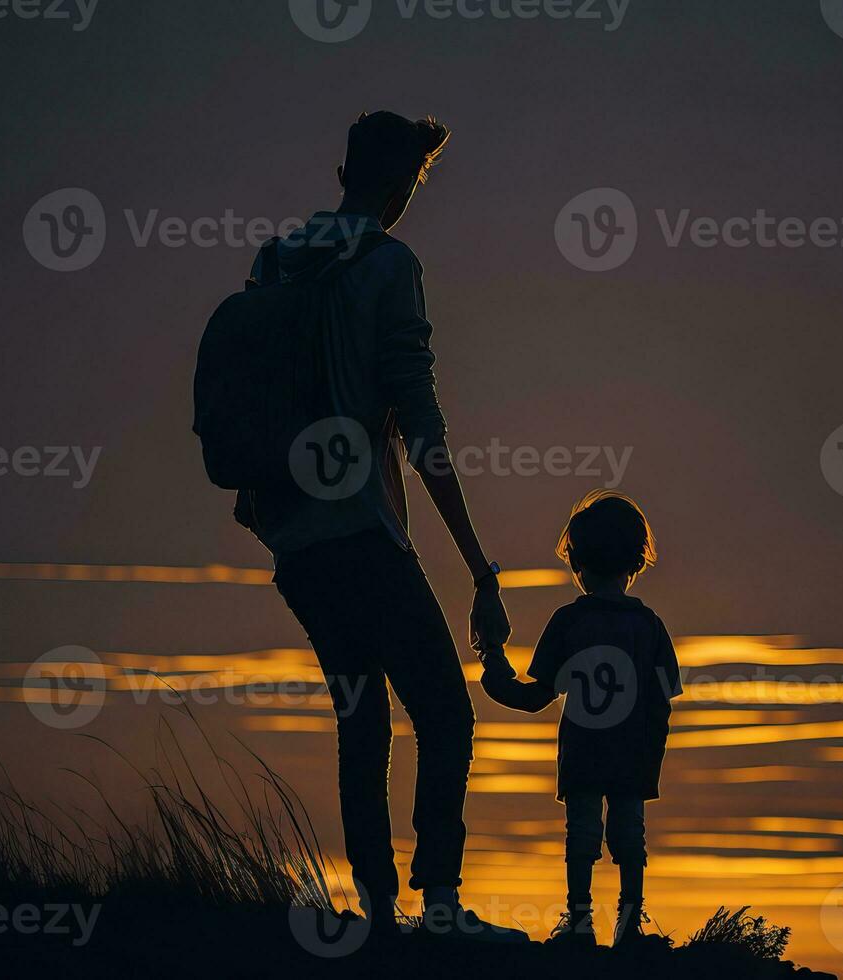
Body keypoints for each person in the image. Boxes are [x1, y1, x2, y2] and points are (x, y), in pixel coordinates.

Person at [238, 111, 518, 940]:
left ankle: (376, 912)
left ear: (343, 172)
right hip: (364, 533)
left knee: (360, 715)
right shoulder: (391, 263)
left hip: (295, 538)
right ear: (402, 189)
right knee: (444, 715)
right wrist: (479, 567)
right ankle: (435, 907)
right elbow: (420, 423)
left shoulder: (275, 259)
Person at [480, 490, 682, 948]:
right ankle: (629, 925)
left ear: (577, 560)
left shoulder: (569, 621)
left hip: (583, 757)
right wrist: (651, 759)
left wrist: (493, 666)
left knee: (582, 836)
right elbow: (662, 702)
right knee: (630, 838)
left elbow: (535, 699)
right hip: (633, 760)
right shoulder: (650, 627)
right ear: (636, 560)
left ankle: (579, 921)